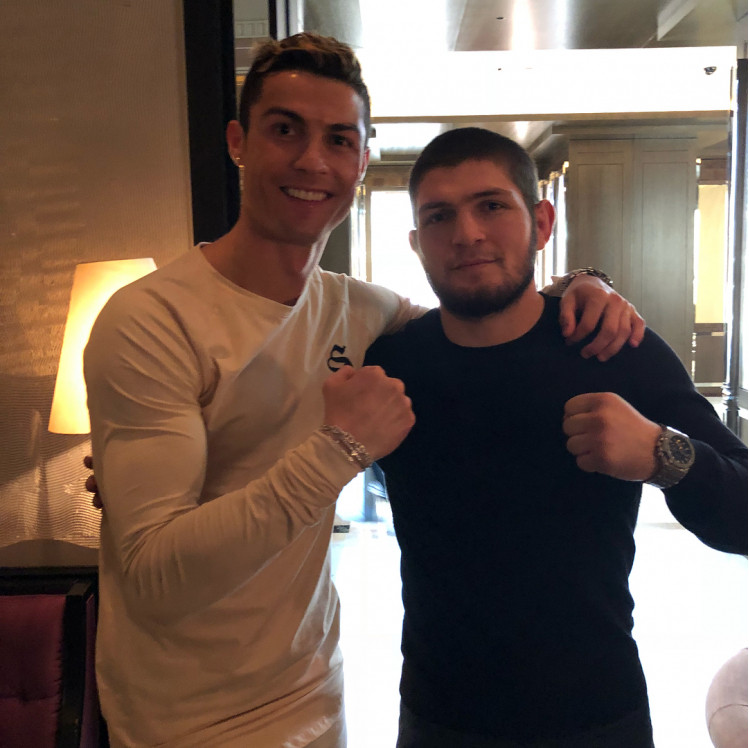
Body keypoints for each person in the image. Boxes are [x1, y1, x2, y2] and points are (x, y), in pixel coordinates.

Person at [83, 34, 644, 748]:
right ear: (237, 142)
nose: (313, 161)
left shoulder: (361, 310)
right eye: (285, 129)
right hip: (183, 719)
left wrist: (583, 283)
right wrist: (339, 449)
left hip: (313, 693)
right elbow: (156, 577)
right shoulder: (151, 318)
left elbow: (484, 310)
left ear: (361, 162)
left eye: (339, 140)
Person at [363, 127, 748, 748]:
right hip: (437, 717)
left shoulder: (611, 346)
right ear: (416, 242)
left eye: (492, 205)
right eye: (439, 216)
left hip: (597, 716)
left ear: (540, 223)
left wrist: (662, 455)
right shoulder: (388, 364)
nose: (466, 234)